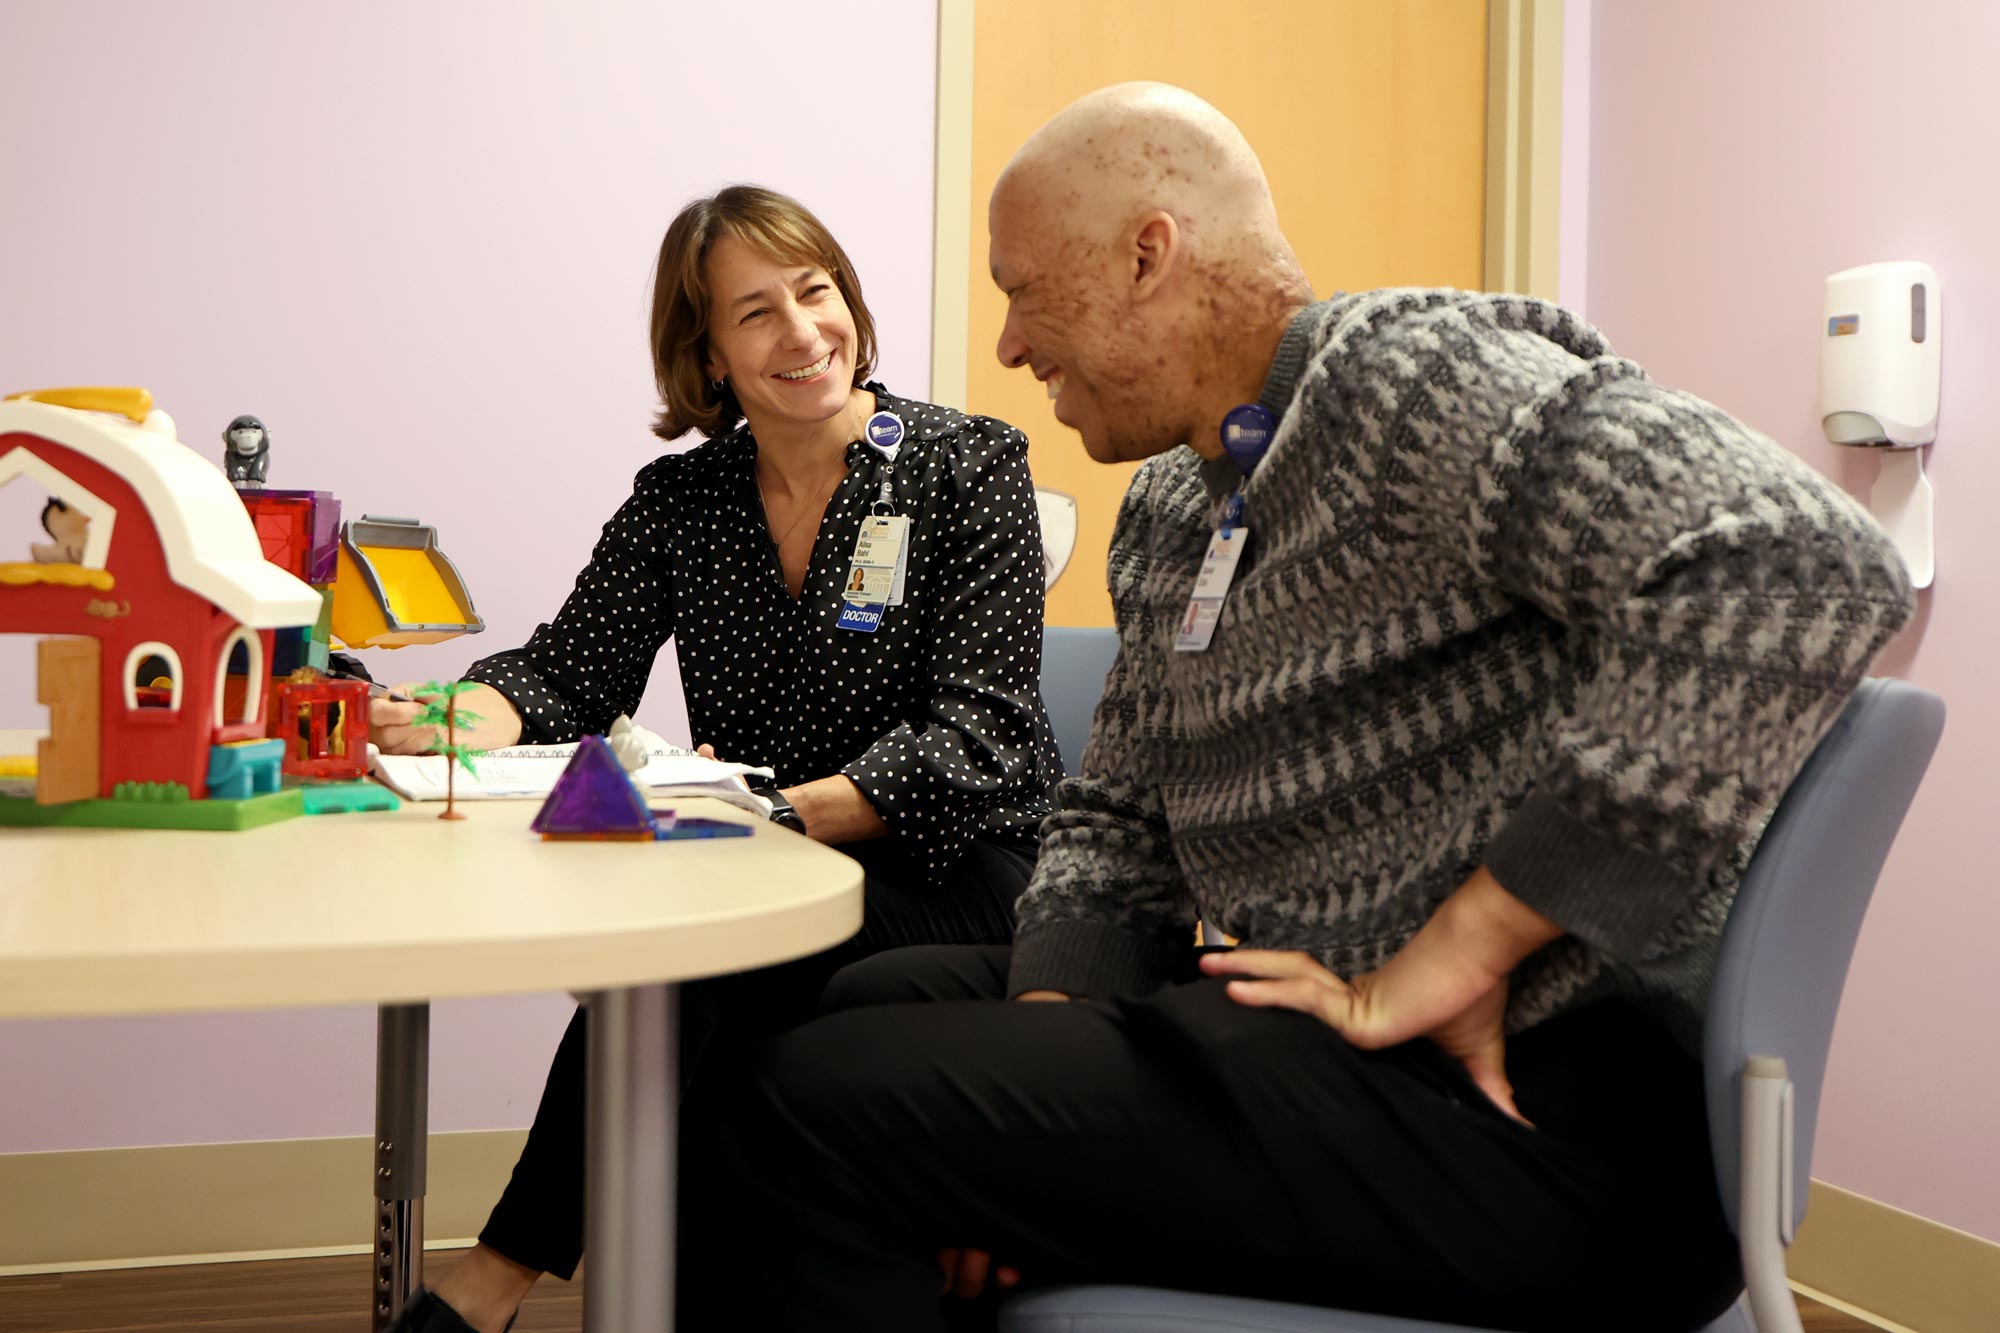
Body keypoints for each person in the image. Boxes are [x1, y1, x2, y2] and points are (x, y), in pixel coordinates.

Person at [672, 84, 1917, 1333]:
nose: (1007, 344)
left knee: (801, 1104)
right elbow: (1111, 819)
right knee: (872, 1003)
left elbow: (1796, 559)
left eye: (1024, 289)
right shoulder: (1173, 505)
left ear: (1147, 256)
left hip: (1536, 1107)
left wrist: (1474, 938)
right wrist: (1022, 1092)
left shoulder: (1405, 380)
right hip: (1335, 1043)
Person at [371, 185, 1061, 1333]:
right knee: (703, 999)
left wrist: (771, 816)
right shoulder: (682, 501)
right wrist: (452, 713)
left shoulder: (965, 465)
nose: (801, 333)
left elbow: (977, 739)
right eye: (755, 312)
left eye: (815, 291)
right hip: (768, 862)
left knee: (688, 957)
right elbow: (562, 675)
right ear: (707, 354)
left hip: (964, 872)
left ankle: (494, 1276)